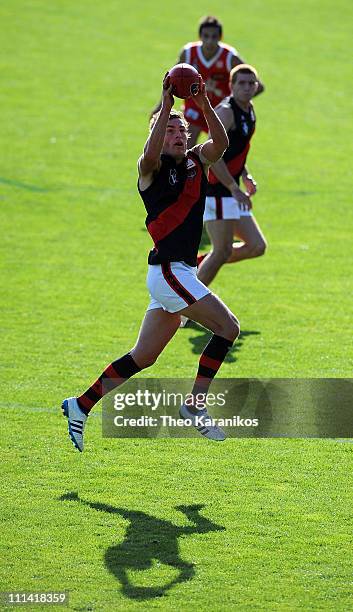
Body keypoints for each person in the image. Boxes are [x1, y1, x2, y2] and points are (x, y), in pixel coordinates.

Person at [62, 74, 240, 452]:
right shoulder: (151, 170)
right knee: (227, 328)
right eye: (170, 129)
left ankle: (80, 405)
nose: (178, 135)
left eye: (182, 130)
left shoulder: (196, 162)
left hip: (176, 274)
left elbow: (221, 143)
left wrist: (203, 102)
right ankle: (195, 405)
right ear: (159, 135)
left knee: (143, 357)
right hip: (170, 273)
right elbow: (148, 154)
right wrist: (163, 105)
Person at [197, 64, 267, 288]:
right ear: (231, 86)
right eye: (242, 83)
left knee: (257, 246)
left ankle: (201, 263)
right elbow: (213, 155)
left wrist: (245, 175)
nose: (247, 88)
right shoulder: (226, 113)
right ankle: (182, 309)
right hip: (217, 189)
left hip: (230, 188)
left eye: (251, 83)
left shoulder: (249, 109)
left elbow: (238, 149)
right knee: (221, 251)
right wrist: (233, 188)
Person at [151, 16, 265, 147]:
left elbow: (258, 86)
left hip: (220, 112)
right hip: (194, 108)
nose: (209, 41)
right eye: (206, 36)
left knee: (221, 151)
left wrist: (234, 103)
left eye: (214, 36)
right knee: (185, 145)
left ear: (220, 37)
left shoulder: (229, 57)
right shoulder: (189, 53)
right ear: (200, 36)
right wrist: (160, 105)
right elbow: (171, 80)